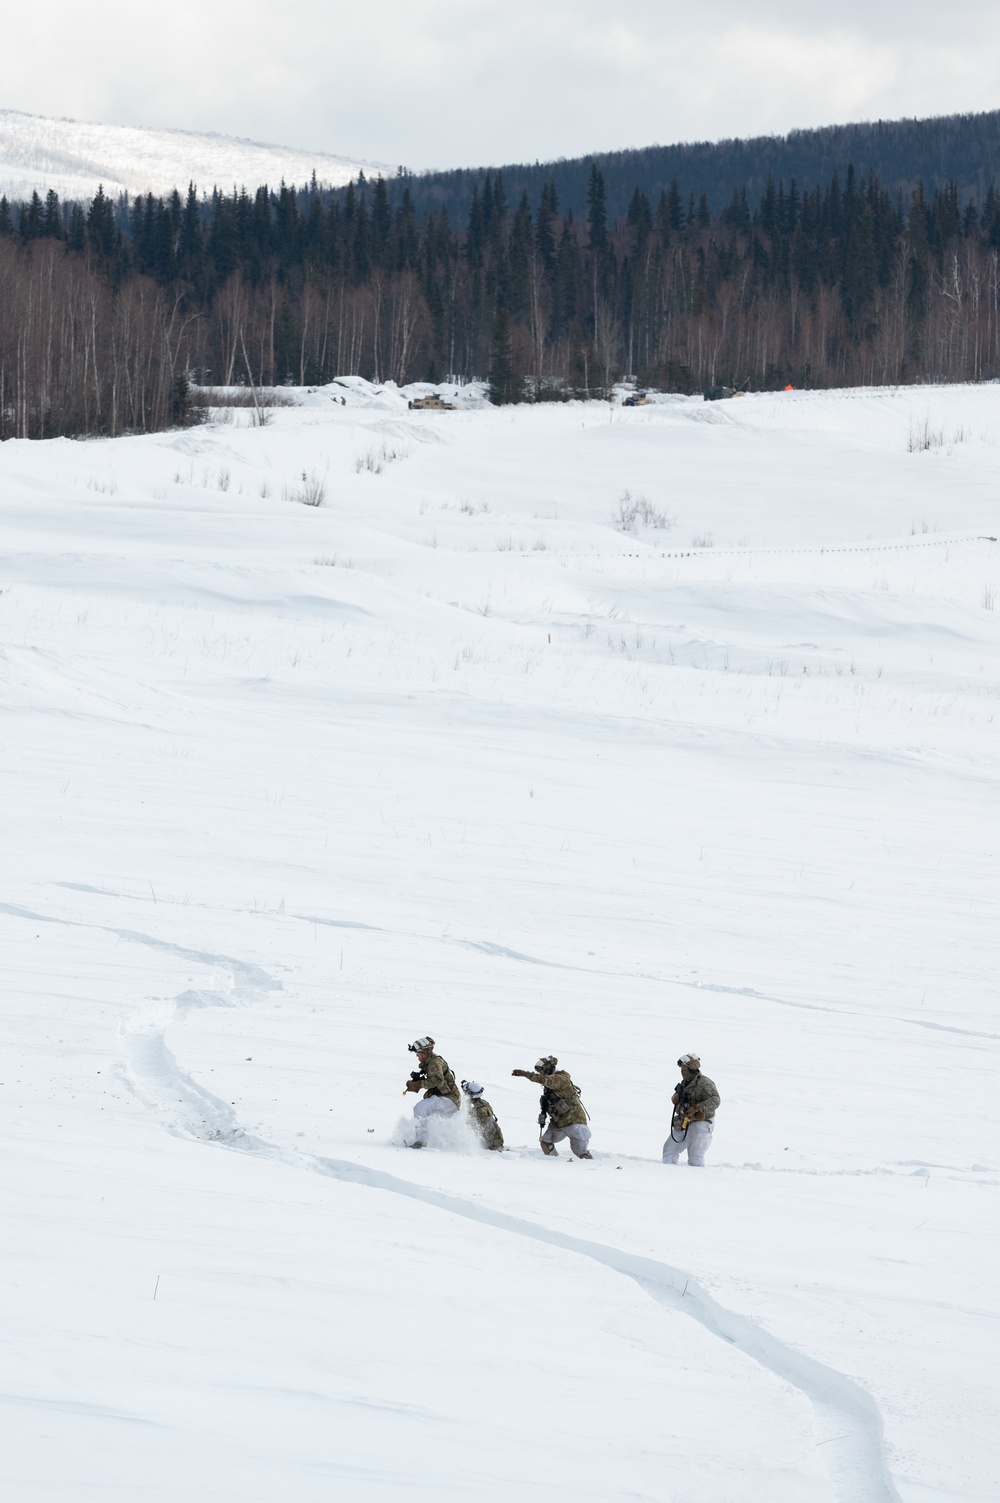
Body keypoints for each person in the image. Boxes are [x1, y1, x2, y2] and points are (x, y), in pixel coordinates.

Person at [512, 1055, 592, 1158]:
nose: (541, 1073)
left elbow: (545, 1080)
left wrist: (525, 1074)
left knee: (580, 1151)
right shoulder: (549, 1086)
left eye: (543, 1070)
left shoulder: (561, 1078)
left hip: (574, 1120)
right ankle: (554, 1164)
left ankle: (591, 1169)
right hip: (559, 1121)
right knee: (545, 1142)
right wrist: (543, 1114)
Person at [662, 1053, 720, 1166]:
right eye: (681, 1068)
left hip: (701, 1122)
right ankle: (668, 1174)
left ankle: (697, 1179)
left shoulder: (704, 1083)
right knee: (669, 1150)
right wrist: (676, 1098)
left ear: (691, 1069)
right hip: (685, 1121)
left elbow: (716, 1100)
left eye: (684, 1068)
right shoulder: (684, 1083)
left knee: (695, 1157)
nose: (682, 1071)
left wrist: (697, 1107)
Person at [403, 1036, 460, 1148]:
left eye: (418, 1053)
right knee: (431, 1119)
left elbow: (438, 1080)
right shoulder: (430, 1063)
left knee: (420, 1108)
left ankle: (420, 1142)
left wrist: (419, 1084)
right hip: (451, 1101)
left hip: (448, 1099)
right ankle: (441, 1144)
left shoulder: (434, 1063)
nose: (417, 1056)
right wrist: (419, 1080)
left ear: (425, 1052)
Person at [461, 1079, 504, 1151]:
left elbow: (478, 1127)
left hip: (491, 1144)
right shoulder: (483, 1103)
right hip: (496, 1140)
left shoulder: (475, 1107)